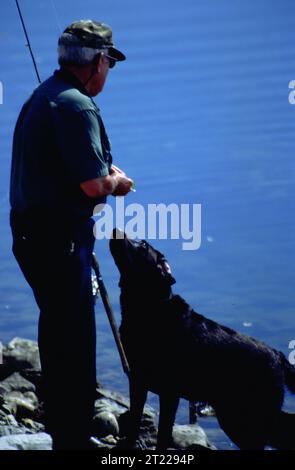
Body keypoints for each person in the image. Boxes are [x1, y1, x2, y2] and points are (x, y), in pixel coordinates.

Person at [9, 20, 133, 450]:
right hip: (58, 239)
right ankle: (74, 426)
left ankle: (64, 414)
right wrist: (117, 183)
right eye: (109, 62)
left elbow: (71, 169)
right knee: (75, 329)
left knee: (58, 322)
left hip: (30, 236)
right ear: (98, 61)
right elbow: (93, 185)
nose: (109, 71)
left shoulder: (45, 95)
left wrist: (100, 175)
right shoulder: (77, 106)